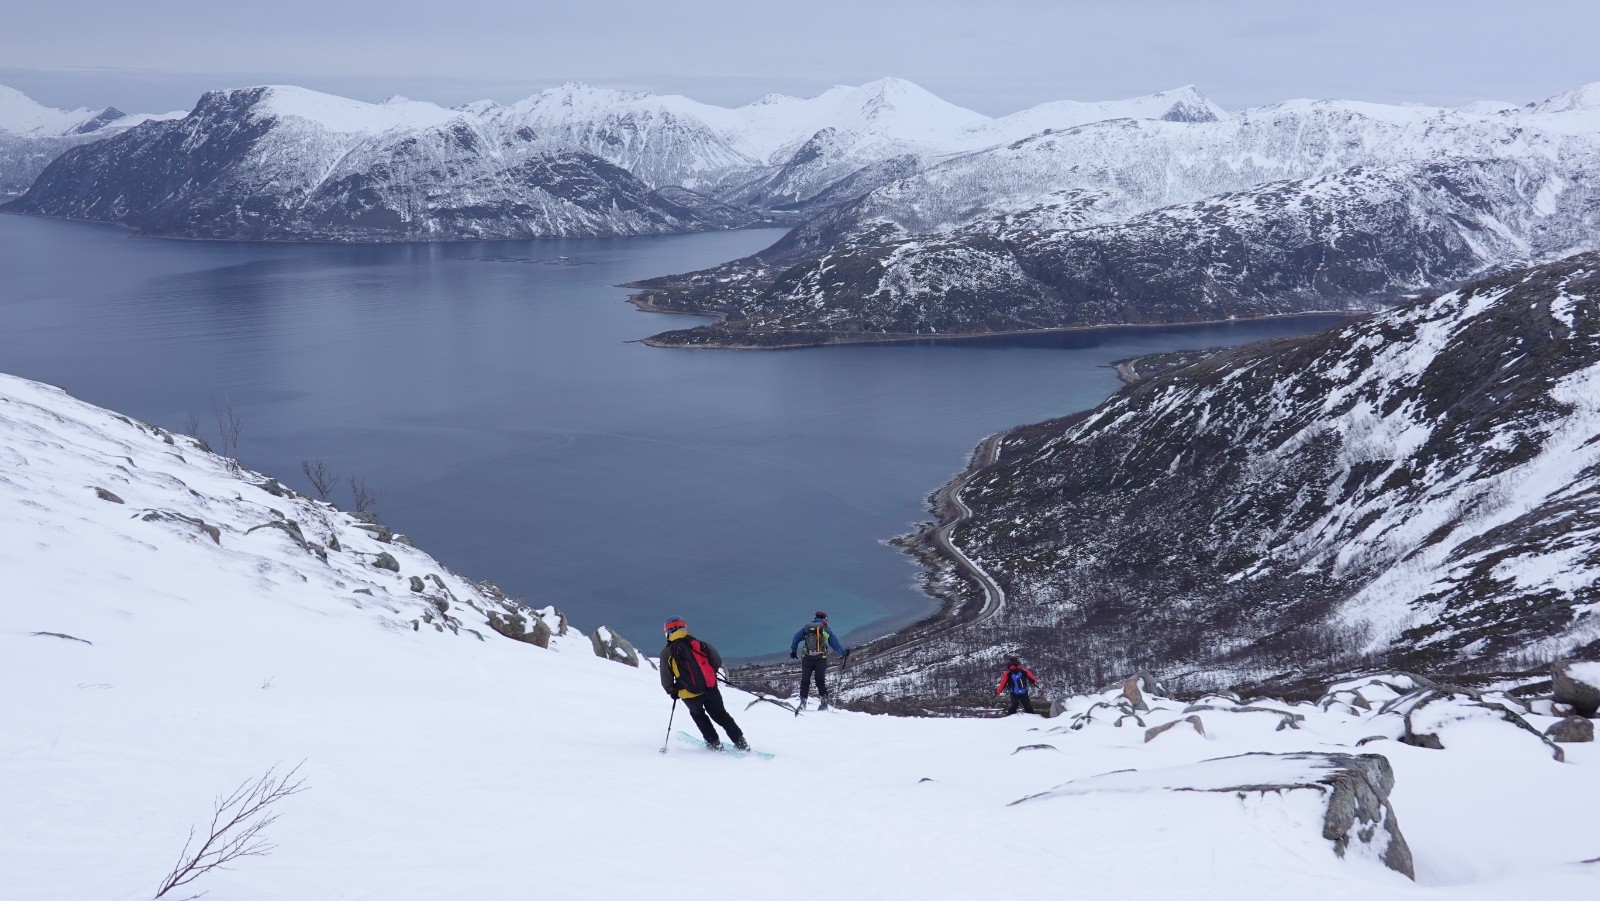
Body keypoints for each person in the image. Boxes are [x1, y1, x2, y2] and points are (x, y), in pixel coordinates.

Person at [660, 618, 748, 751]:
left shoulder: (667, 652)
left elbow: (666, 677)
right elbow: (717, 661)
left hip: (689, 693)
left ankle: (714, 743)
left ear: (668, 632)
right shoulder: (699, 643)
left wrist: (672, 691)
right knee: (720, 714)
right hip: (710, 687)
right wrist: (708, 674)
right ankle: (741, 742)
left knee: (699, 715)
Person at [789, 610, 849, 710]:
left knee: (805, 681)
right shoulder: (826, 630)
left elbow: (796, 638)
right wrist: (844, 653)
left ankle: (803, 704)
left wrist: (793, 651)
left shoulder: (807, 628)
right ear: (825, 619)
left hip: (807, 658)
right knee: (820, 681)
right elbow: (835, 645)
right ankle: (824, 704)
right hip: (821, 659)